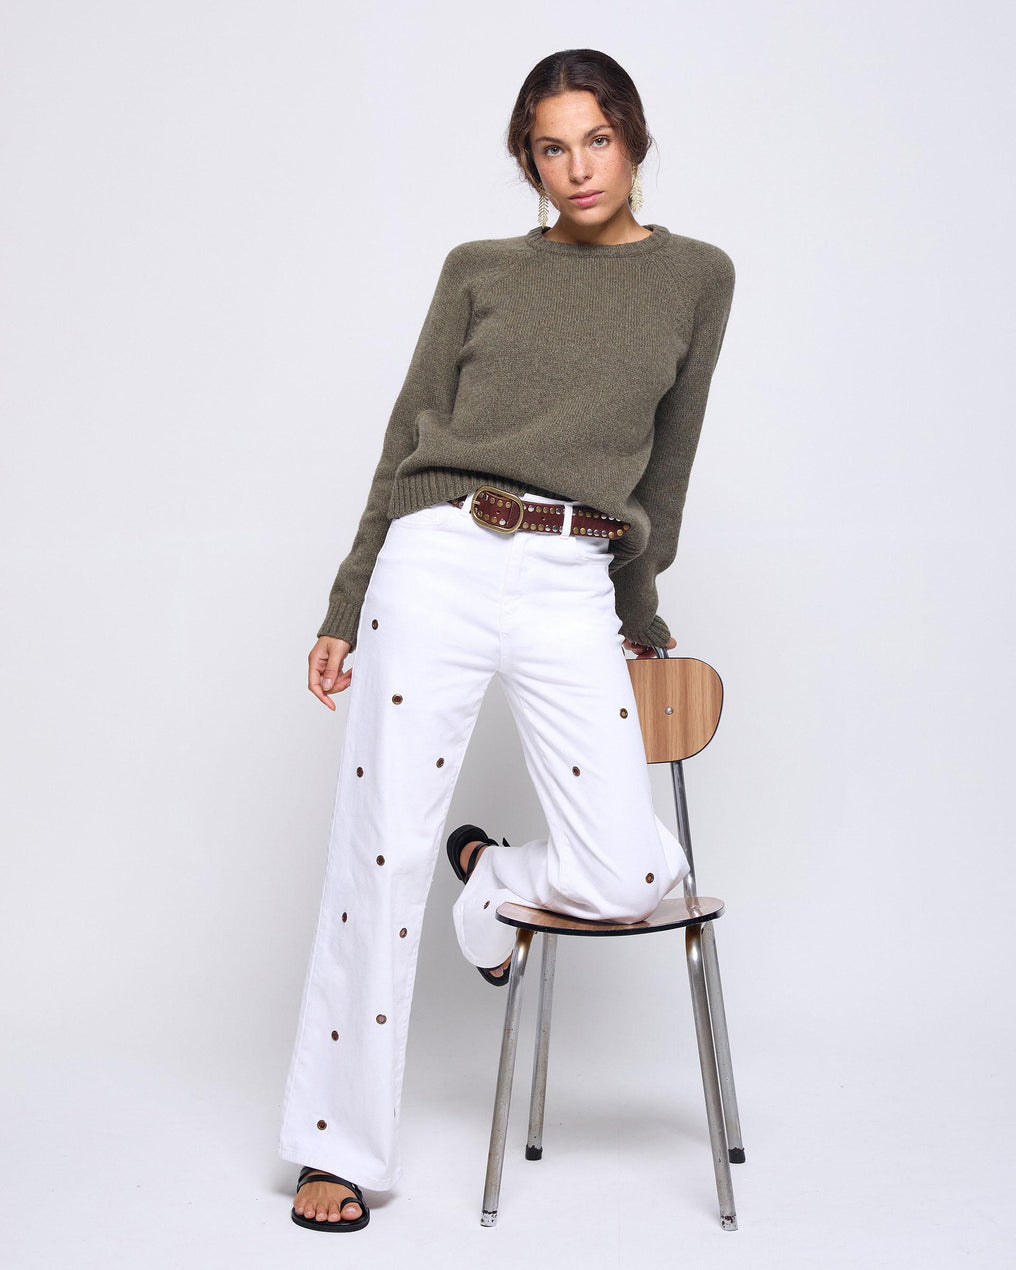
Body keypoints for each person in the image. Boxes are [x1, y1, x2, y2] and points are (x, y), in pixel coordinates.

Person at [279, 47, 736, 1231]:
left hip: (573, 573)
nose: (576, 168)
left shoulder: (696, 277)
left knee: (629, 870)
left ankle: (490, 883)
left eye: (596, 140)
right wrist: (344, 603)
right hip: (437, 551)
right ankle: (336, 1148)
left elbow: (666, 470)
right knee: (380, 849)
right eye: (550, 147)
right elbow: (401, 440)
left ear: (633, 139)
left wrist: (638, 615)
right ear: (525, 160)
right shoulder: (478, 269)